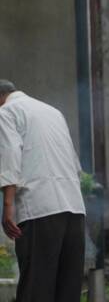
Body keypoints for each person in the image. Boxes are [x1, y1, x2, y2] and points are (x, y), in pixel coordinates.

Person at [0, 80, 86, 302]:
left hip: (39, 209)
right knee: (67, 288)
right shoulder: (53, 112)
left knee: (36, 288)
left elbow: (10, 155)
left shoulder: (6, 112)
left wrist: (7, 206)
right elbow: (75, 165)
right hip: (74, 208)